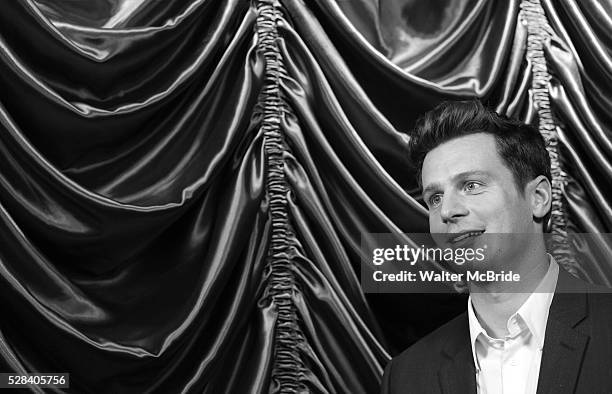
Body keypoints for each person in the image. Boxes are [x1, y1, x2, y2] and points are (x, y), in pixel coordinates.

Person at [380, 100, 612, 394]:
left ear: (538, 198)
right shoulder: (405, 378)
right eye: (435, 198)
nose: (447, 211)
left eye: (471, 185)